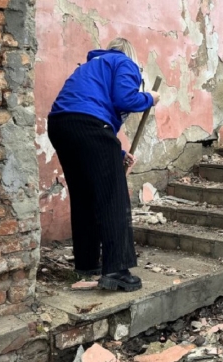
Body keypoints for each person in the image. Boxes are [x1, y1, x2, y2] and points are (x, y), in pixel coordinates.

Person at [47, 37, 160, 292]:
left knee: (84, 195)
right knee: (113, 196)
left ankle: (87, 263)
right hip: (90, 126)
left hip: (60, 125)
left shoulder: (88, 67)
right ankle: (117, 270)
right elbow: (125, 100)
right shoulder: (124, 63)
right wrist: (150, 98)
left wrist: (118, 152)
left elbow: (87, 114)